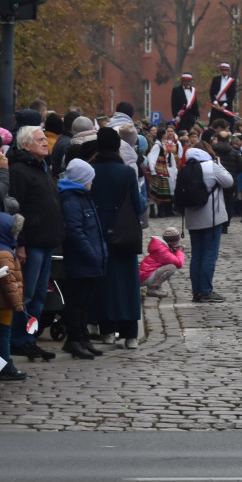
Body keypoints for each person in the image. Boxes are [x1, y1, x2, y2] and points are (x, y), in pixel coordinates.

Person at [8, 126, 63, 361]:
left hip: (46, 242)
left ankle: (30, 338)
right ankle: (18, 339)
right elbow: (17, 209)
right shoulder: (20, 171)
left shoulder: (43, 168)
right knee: (26, 295)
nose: (45, 143)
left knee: (39, 296)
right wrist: (19, 243)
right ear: (26, 145)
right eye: (40, 140)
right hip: (31, 244)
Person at [88, 128, 143, 349]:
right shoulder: (127, 172)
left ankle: (107, 330)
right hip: (125, 233)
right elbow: (138, 206)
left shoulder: (90, 170)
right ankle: (130, 334)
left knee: (104, 283)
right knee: (128, 284)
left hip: (97, 232)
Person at [58, 158, 108, 358]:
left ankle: (83, 337)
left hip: (90, 259)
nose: (92, 182)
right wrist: (93, 254)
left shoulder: (82, 196)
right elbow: (75, 231)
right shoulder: (71, 199)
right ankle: (74, 339)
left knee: (85, 301)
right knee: (76, 302)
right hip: (80, 260)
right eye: (90, 179)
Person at [182, 143, 233, 302]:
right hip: (211, 217)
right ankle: (206, 291)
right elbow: (229, 181)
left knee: (196, 255)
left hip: (192, 216)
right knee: (209, 254)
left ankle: (197, 291)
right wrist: (219, 164)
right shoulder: (212, 166)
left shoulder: (186, 167)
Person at [0, 211, 27, 381]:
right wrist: (17, 303)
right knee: (4, 334)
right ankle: (5, 366)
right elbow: (8, 282)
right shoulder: (4, 252)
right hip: (4, 303)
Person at [140, 226, 184, 297]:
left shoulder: (160, 246)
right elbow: (179, 264)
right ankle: (153, 289)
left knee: (164, 266)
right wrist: (179, 251)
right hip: (144, 277)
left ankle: (153, 287)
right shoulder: (163, 251)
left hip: (144, 274)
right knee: (171, 267)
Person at [147, 125, 179, 218]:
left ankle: (160, 212)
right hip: (158, 170)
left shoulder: (160, 144)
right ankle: (153, 212)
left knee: (159, 191)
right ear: (162, 135)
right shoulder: (157, 145)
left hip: (162, 170)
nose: (167, 135)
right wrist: (153, 170)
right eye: (165, 133)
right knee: (155, 191)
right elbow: (151, 157)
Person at [209, 63, 238, 128]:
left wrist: (224, 106)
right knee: (213, 122)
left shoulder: (232, 81)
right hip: (217, 104)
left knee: (229, 122)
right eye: (222, 70)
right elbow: (212, 92)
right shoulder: (216, 79)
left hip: (226, 104)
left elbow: (232, 95)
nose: (224, 71)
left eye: (225, 70)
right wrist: (216, 104)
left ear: (228, 71)